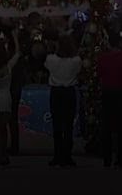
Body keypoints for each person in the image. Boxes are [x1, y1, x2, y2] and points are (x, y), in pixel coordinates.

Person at [96, 30, 122, 168]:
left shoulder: (102, 58)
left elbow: (99, 75)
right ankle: (121, 158)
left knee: (107, 127)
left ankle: (107, 158)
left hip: (107, 92)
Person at [45, 34, 82, 168]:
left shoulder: (51, 59)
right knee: (68, 126)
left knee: (57, 125)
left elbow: (47, 65)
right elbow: (78, 70)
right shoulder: (76, 60)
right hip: (69, 92)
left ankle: (57, 155)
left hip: (56, 93)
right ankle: (67, 156)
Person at [0, 35, 21, 168]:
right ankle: (5, 155)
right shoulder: (8, 67)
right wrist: (14, 36)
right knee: (4, 129)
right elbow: (18, 53)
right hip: (6, 99)